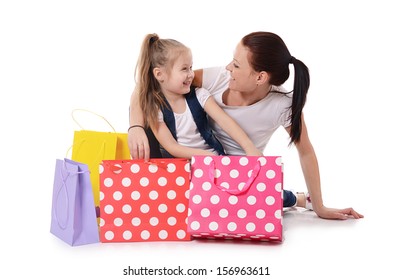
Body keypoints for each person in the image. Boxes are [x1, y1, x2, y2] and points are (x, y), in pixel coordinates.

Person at [128, 31, 364, 220]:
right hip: (205, 161)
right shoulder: (218, 78)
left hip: (239, 170)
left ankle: (298, 199)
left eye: (237, 65)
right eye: (232, 60)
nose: (228, 67)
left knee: (251, 203)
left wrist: (320, 207)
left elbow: (306, 151)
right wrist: (135, 126)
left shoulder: (282, 105)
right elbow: (148, 87)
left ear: (260, 77)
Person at [129, 33, 262, 159]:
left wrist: (248, 147)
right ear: (159, 74)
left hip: (212, 159)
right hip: (182, 166)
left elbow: (224, 121)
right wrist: (202, 155)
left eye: (191, 67)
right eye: (184, 69)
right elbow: (171, 147)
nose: (191, 74)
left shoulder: (200, 95)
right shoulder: (155, 108)